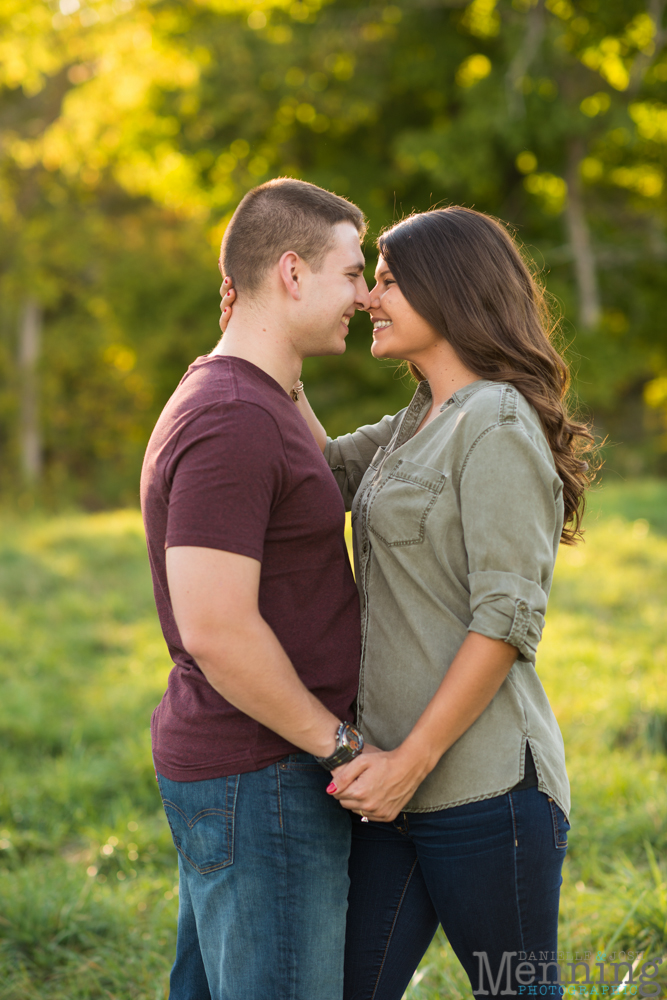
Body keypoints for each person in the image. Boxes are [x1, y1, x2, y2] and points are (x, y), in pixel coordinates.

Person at [222, 205, 593, 998]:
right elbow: (321, 477)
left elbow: (504, 622)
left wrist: (408, 765)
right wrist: (270, 347)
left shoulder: (494, 421)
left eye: (386, 282)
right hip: (390, 786)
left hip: (486, 791)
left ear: (447, 290)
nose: (366, 299)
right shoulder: (419, 419)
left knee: (517, 990)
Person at [140, 178, 374, 1000]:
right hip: (263, 776)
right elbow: (216, 627)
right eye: (351, 272)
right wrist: (340, 749)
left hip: (255, 772)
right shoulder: (233, 417)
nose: (366, 293)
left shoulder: (254, 399)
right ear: (291, 272)